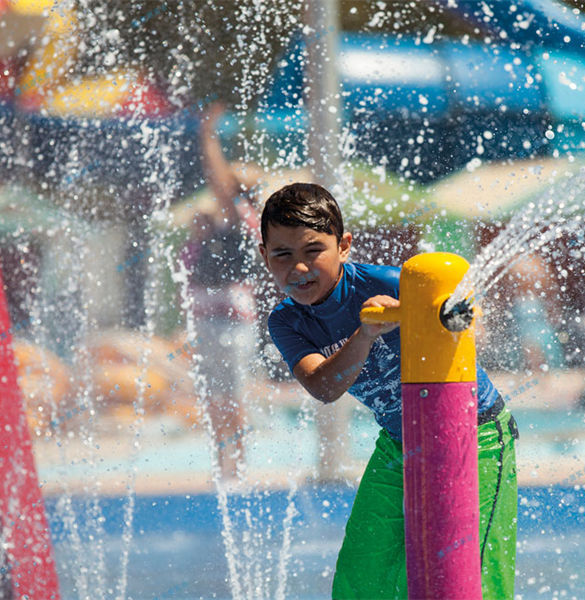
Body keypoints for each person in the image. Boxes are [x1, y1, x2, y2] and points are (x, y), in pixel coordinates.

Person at [258, 183, 518, 598]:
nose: (300, 268)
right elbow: (323, 387)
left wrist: (448, 314)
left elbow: (466, 318)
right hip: (400, 442)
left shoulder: (392, 285)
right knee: (361, 579)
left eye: (313, 251)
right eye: (282, 254)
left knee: (471, 577)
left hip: (474, 433)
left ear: (343, 246)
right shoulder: (287, 322)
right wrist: (365, 334)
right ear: (264, 256)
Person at [181, 103, 259, 480]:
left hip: (229, 323)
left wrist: (207, 135)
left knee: (230, 393)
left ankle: (236, 462)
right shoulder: (224, 226)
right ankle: (224, 460)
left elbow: (218, 178)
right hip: (214, 321)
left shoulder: (242, 215)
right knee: (215, 393)